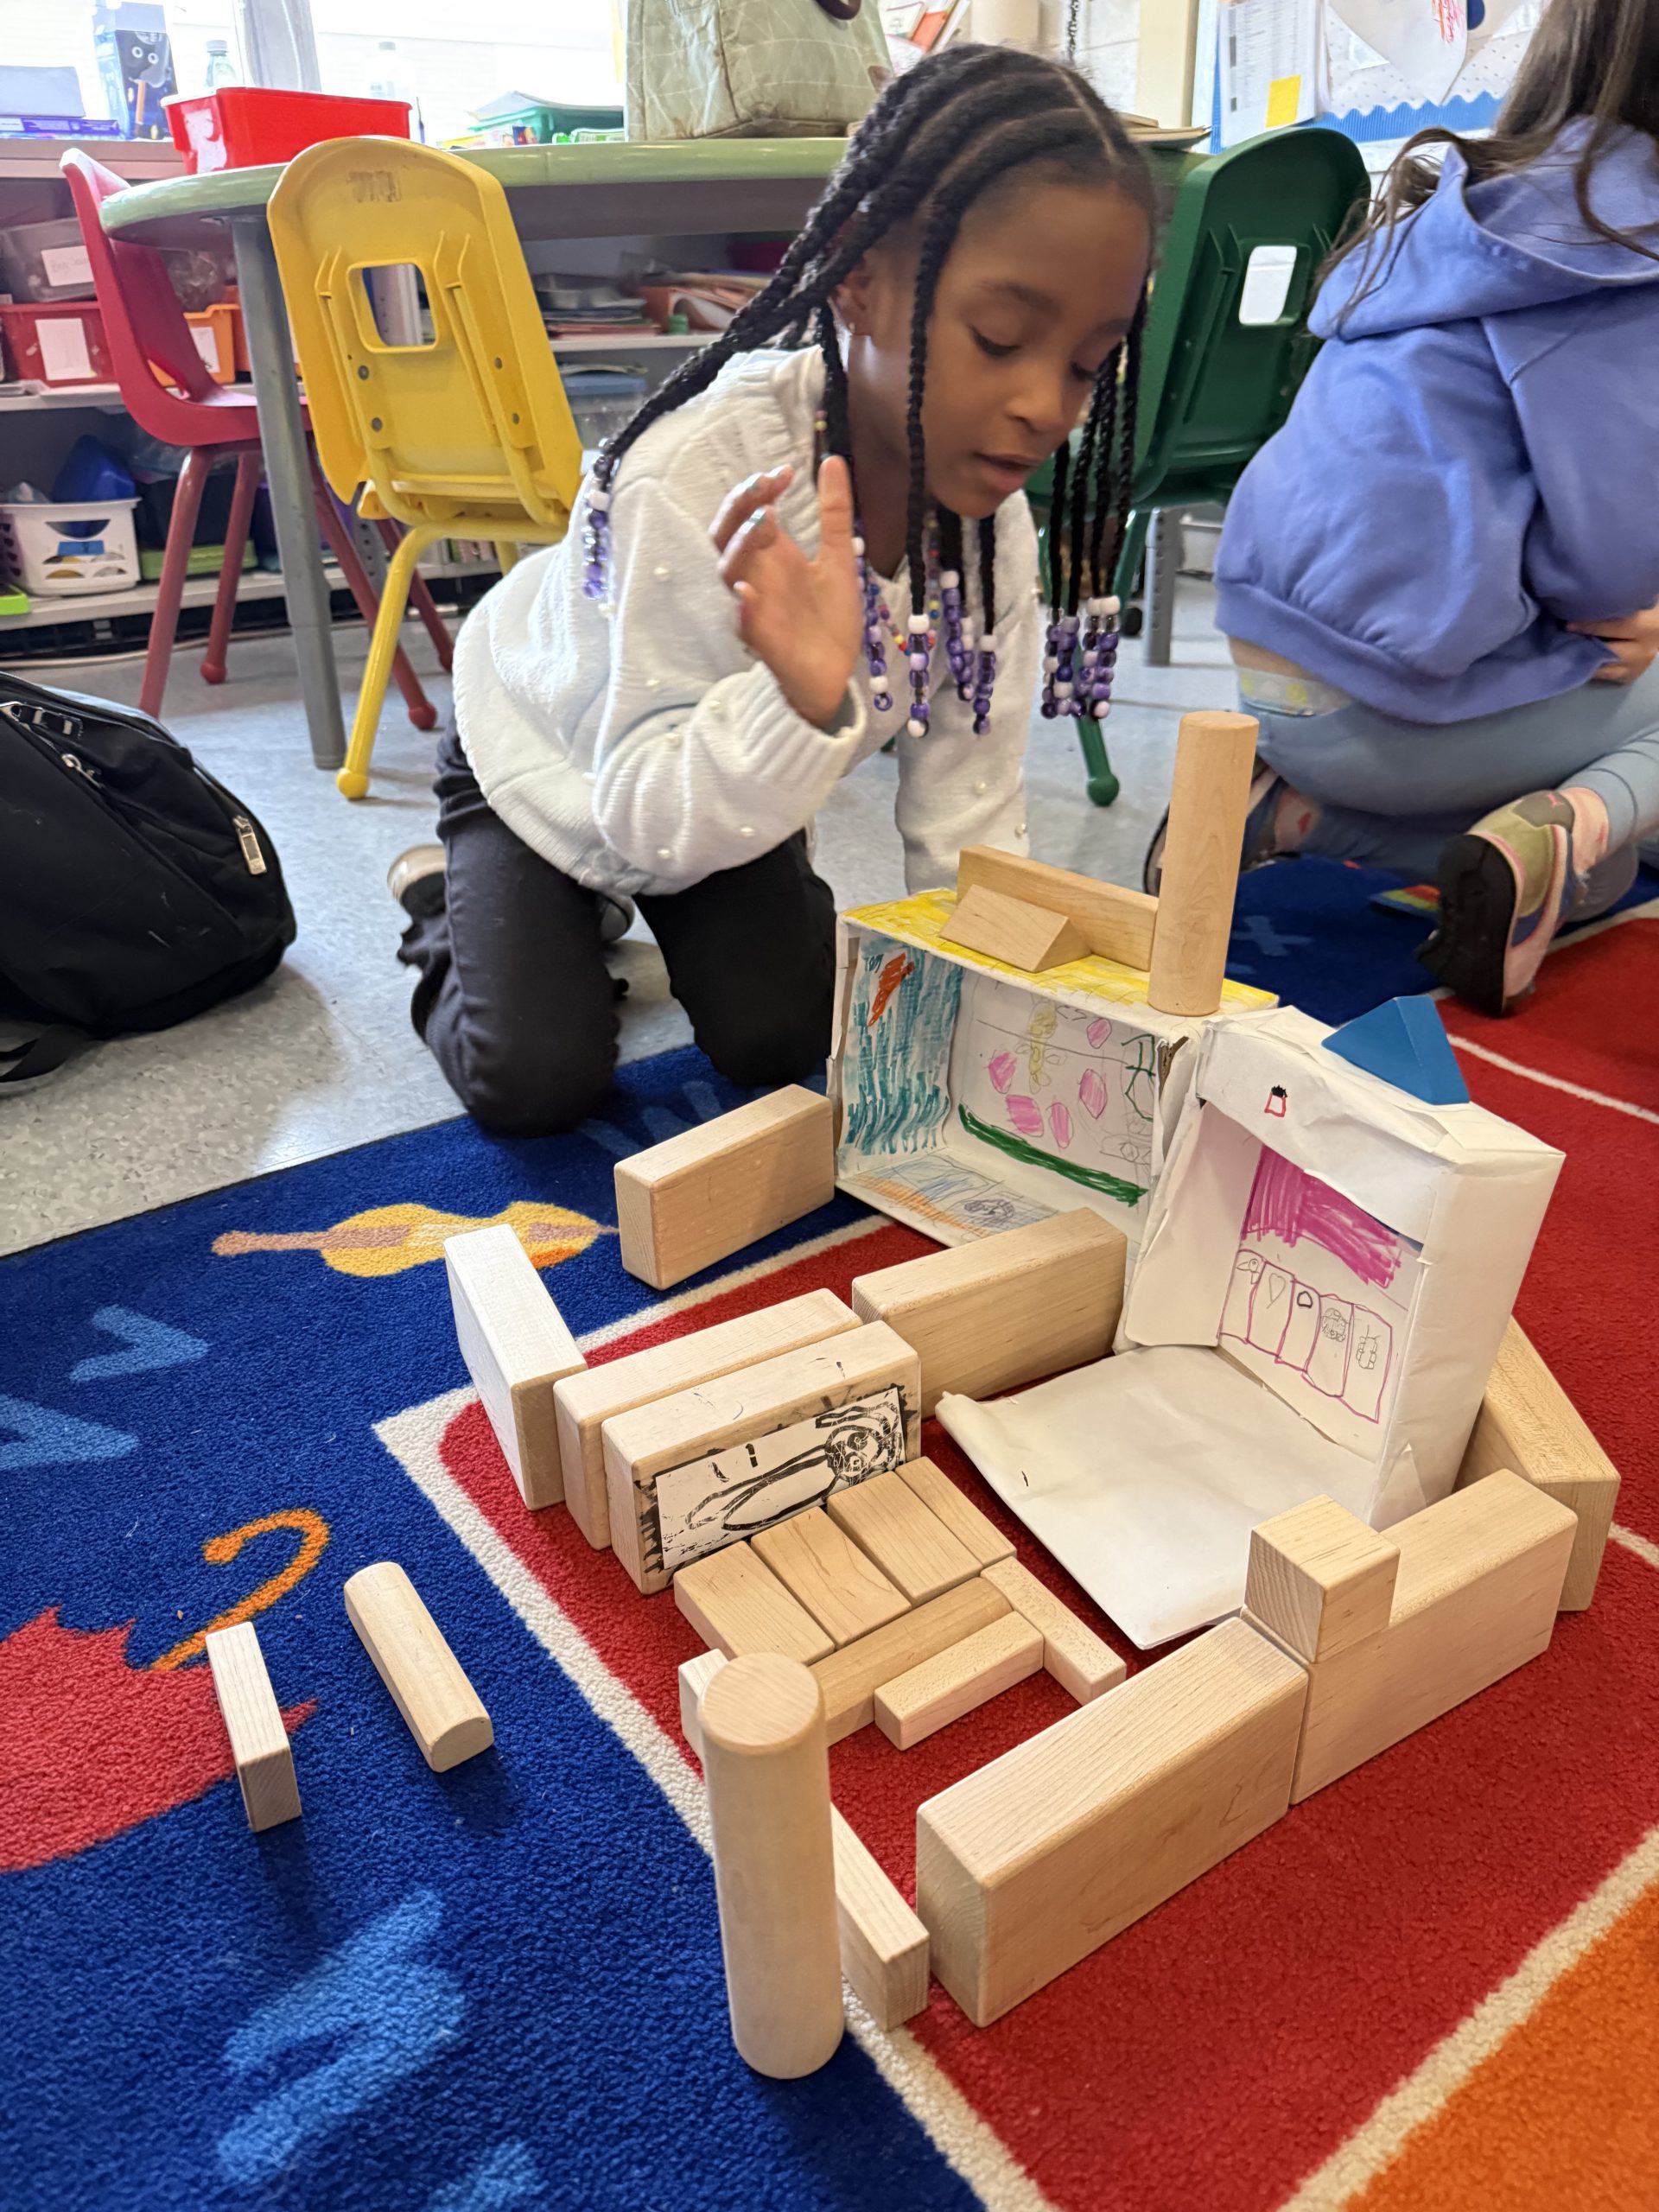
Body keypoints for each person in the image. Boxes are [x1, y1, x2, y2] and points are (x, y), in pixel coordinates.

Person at [390, 44, 1154, 1134]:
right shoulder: (689, 478)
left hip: (717, 788)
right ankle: (440, 902)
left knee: (785, 1035)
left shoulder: (991, 535)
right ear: (855, 273)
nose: (1047, 405)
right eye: (999, 339)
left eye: (1089, 363)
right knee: (536, 1083)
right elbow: (636, 811)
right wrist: (794, 705)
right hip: (556, 757)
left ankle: (603, 920)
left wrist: (988, 1026)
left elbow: (969, 813)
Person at [1207, 0, 1659, 1015]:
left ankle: (1289, 817)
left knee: (1610, 874)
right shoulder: (1625, 246)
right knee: (1611, 826)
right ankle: (1564, 826)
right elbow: (1608, 581)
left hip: (1259, 672)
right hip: (1389, 705)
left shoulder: (1469, 212)